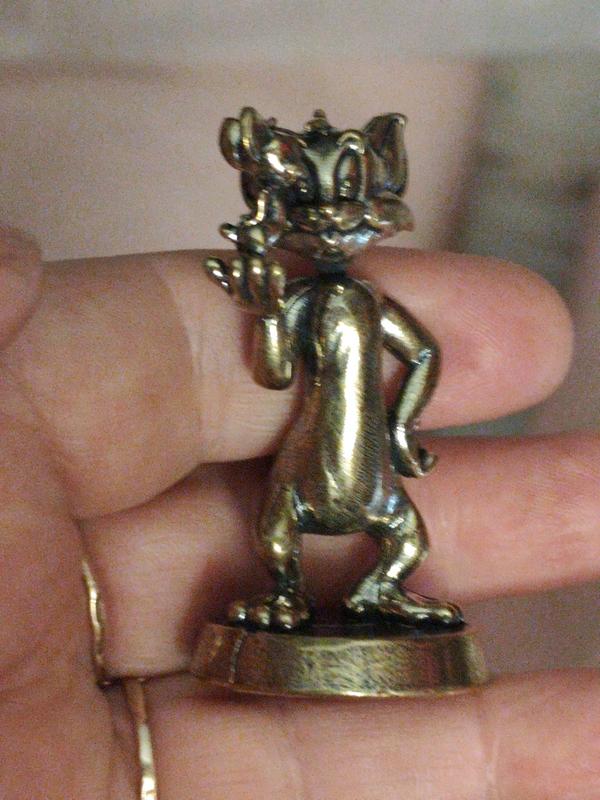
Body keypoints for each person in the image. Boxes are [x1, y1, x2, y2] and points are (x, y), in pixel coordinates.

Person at [0, 225, 598, 798]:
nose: (333, 227)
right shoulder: (302, 300)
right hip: (309, 459)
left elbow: (422, 353)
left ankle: (377, 588)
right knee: (280, 524)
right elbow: (277, 372)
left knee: (406, 538)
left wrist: (399, 425)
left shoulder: (368, 301)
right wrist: (266, 313)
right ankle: (286, 590)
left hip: (370, 464)